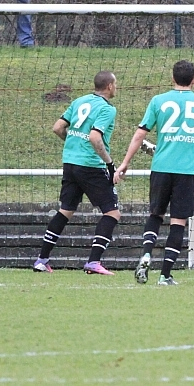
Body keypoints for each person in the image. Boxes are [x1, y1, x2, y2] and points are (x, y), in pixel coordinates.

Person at [115, 60, 194, 286]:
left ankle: (146, 254)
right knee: (178, 222)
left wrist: (125, 162)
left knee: (155, 215)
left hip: (161, 168)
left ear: (172, 78)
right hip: (186, 172)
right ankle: (165, 275)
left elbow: (139, 135)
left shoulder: (158, 101)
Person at [32, 71, 121, 275]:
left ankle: (42, 260)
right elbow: (95, 138)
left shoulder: (79, 101)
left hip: (70, 162)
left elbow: (57, 128)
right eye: (115, 84)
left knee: (66, 210)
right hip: (91, 165)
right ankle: (94, 262)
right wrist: (109, 163)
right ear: (109, 86)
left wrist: (74, 143)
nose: (116, 87)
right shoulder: (107, 109)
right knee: (112, 212)